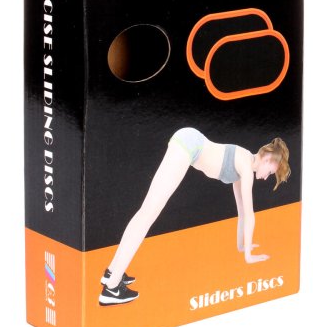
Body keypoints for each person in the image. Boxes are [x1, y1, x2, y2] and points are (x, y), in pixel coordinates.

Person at [98, 127, 291, 306]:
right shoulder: (246, 167)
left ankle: (111, 273)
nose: (266, 177)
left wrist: (243, 247)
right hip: (189, 145)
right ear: (267, 159)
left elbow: (242, 213)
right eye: (270, 172)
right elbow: (250, 215)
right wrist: (249, 255)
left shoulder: (244, 164)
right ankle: (112, 289)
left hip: (190, 142)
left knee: (146, 212)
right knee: (147, 213)